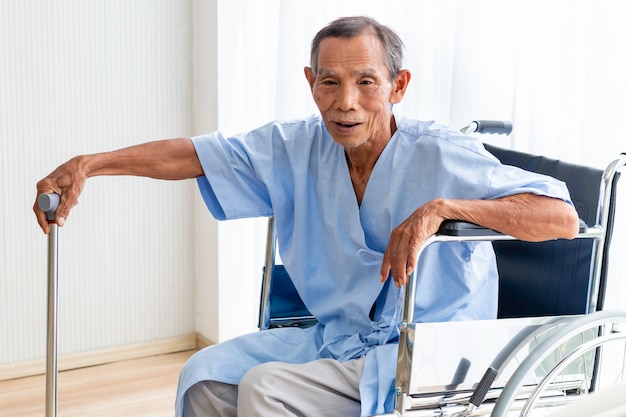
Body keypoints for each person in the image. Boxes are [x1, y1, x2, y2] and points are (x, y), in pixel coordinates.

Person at [34, 16, 579, 417]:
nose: (346, 102)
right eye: (329, 82)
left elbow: (561, 219)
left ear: (398, 86)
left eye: (366, 82)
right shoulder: (295, 147)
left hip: (429, 352)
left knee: (266, 391)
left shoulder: (440, 153)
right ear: (310, 82)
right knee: (203, 378)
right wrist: (92, 164)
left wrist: (442, 209)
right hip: (339, 339)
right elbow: (192, 155)